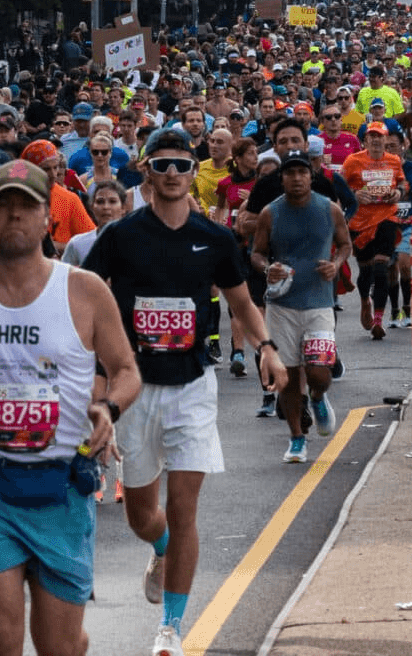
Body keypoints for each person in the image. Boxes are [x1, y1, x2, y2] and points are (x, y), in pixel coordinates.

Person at [0, 159, 141, 656]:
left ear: (46, 220)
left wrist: (109, 409)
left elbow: (125, 370)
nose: (14, 216)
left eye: (26, 207)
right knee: (2, 637)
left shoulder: (84, 290)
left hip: (64, 488)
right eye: (2, 205)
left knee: (58, 646)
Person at [85, 130, 287, 656]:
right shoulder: (120, 237)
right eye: (163, 165)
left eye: (181, 164)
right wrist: (93, 382)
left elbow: (242, 304)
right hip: (135, 388)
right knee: (141, 515)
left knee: (184, 509)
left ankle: (171, 629)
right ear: (147, 172)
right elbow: (83, 306)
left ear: (189, 170)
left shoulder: (214, 239)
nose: (173, 173)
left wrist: (265, 346)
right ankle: (161, 551)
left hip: (193, 386)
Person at [251, 151, 352, 464]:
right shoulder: (271, 213)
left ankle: (319, 397)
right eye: (290, 173)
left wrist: (335, 264)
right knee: (289, 378)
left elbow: (345, 244)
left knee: (319, 373)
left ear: (311, 176)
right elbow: (256, 253)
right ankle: (297, 439)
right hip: (282, 306)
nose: (296, 178)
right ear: (282, 178)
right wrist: (268, 268)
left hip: (319, 303)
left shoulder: (329, 209)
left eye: (302, 173)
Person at [339, 123, 407, 337]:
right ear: (365, 140)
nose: (376, 140)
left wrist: (397, 193)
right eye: (372, 136)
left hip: (387, 218)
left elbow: (403, 184)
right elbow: (339, 186)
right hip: (360, 223)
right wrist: (354, 194)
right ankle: (364, 301)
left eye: (380, 136)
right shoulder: (353, 161)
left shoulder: (394, 160)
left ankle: (378, 319)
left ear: (386, 139)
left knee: (381, 267)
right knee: (366, 271)